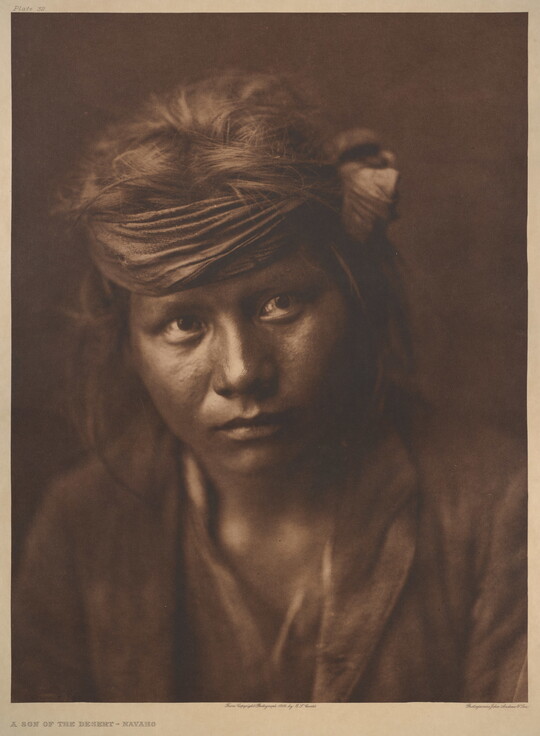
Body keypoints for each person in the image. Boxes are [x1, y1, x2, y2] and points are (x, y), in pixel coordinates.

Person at [11, 72, 526, 703]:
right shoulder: (79, 527)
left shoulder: (502, 508)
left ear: (354, 295)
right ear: (128, 344)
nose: (241, 372)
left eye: (280, 303)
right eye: (183, 323)